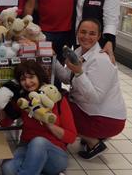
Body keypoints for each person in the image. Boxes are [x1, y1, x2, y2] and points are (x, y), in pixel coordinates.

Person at [54, 18, 126, 160]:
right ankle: (90, 136)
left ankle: (94, 142)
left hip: (107, 119)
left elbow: (95, 97)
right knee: (59, 98)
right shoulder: (80, 51)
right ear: (77, 32)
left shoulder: (101, 60)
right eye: (83, 32)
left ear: (99, 36)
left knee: (59, 108)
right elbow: (67, 78)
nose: (86, 37)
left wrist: (79, 72)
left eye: (92, 34)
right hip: (92, 110)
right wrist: (52, 57)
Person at [0, 61, 77, 175]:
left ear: (39, 77)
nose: (27, 82)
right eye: (23, 79)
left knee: (38, 142)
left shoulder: (57, 100)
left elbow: (71, 137)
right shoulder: (22, 100)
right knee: (8, 168)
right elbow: (4, 124)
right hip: (26, 146)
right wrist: (0, 105)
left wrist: (48, 123)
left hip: (54, 153)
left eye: (31, 77)